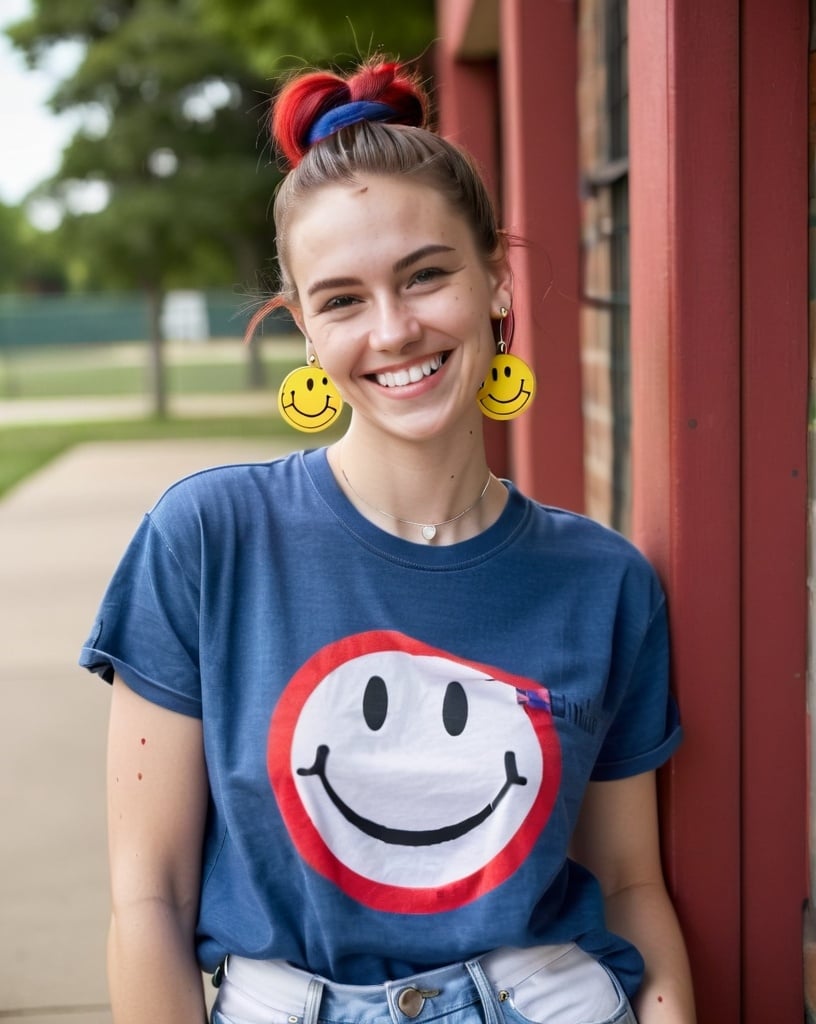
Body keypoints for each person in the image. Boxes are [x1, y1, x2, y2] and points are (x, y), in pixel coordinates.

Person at [80, 58, 695, 1024]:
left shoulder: (605, 581)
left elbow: (628, 888)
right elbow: (148, 896)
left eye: (426, 275)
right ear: (304, 332)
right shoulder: (206, 540)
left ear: (495, 274)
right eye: (342, 300)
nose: (396, 330)